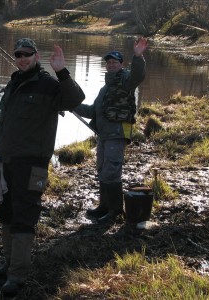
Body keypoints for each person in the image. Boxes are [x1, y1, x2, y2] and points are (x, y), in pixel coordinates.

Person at [0, 38, 85, 296]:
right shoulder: (14, 84)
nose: (22, 58)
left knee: (25, 218)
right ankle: (8, 266)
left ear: (36, 56)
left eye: (27, 54)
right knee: (6, 215)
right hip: (6, 163)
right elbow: (4, 123)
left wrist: (61, 71)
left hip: (32, 166)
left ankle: (17, 276)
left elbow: (75, 100)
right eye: (18, 54)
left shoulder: (49, 85)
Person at [73, 37, 147, 225]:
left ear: (121, 64)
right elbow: (92, 111)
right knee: (102, 170)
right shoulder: (105, 88)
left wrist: (138, 57)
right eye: (109, 62)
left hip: (118, 133)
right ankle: (104, 206)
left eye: (115, 62)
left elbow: (138, 76)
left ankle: (115, 211)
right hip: (104, 136)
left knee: (111, 171)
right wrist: (71, 105)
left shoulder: (126, 80)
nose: (111, 64)